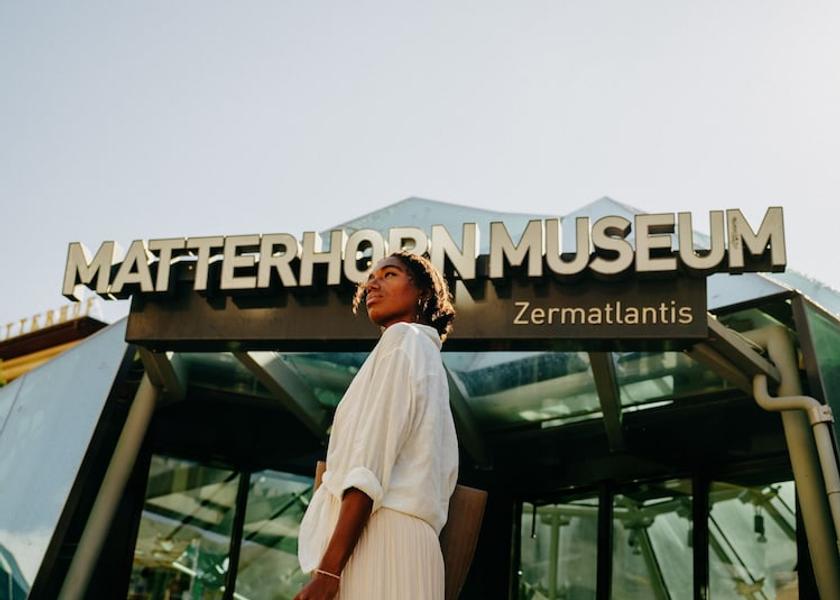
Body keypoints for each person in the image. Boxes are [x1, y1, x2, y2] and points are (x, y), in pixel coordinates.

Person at [294, 251, 459, 600]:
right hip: (413, 546)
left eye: (389, 275)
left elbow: (366, 468)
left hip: (380, 536)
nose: (372, 283)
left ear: (422, 293)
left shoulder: (402, 341)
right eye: (371, 276)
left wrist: (327, 571)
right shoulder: (425, 355)